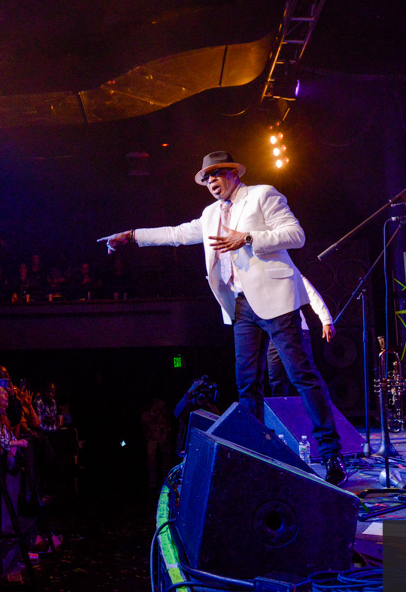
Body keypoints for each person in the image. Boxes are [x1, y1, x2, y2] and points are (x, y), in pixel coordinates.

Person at [100, 151, 345, 485]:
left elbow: (296, 235)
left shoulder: (262, 195)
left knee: (302, 375)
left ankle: (331, 455)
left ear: (233, 173)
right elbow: (176, 233)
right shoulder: (211, 214)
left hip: (276, 300)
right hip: (241, 306)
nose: (212, 182)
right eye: (207, 178)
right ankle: (259, 455)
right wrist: (132, 236)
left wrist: (247, 238)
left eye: (217, 175)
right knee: (247, 384)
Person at [268, 275, 335, 397]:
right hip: (272, 332)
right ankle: (281, 414)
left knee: (306, 375)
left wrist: (326, 319)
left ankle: (323, 412)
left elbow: (310, 292)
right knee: (276, 380)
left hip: (295, 329)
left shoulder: (285, 267)